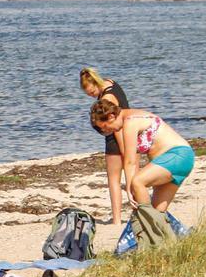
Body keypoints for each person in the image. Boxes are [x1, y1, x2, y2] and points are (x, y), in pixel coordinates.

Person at [91, 100, 195, 213]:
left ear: (111, 116)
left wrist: (130, 190)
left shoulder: (130, 122)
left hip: (176, 156)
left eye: (105, 127)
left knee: (137, 182)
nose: (106, 131)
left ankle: (145, 217)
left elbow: (130, 161)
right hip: (180, 159)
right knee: (157, 212)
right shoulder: (133, 116)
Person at [79, 67, 132, 224]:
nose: (91, 96)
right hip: (131, 133)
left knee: (114, 180)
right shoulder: (110, 83)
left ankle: (117, 219)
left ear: (96, 83)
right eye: (88, 94)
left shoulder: (107, 98)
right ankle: (140, 213)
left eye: (92, 92)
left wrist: (124, 150)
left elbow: (115, 126)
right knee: (133, 177)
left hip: (117, 139)